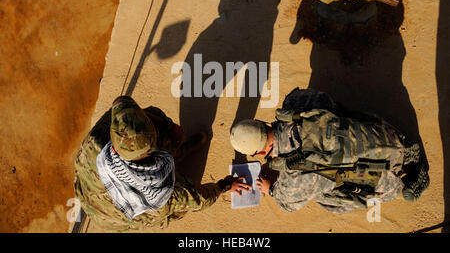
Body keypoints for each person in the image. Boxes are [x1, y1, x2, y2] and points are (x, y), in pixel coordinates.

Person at [229, 88, 430, 214]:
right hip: (385, 130)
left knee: (325, 195)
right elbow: (326, 101)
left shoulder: (295, 175)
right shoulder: (295, 104)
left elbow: (287, 203)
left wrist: (270, 189)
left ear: (261, 154)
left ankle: (406, 181)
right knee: (338, 118)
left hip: (384, 174)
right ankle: (403, 152)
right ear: (260, 123)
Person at [74, 96, 249, 232]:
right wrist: (224, 186)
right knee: (174, 211)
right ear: (151, 153)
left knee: (151, 114)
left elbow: (123, 104)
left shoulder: (96, 140)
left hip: (91, 197)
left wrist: (166, 125)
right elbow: (201, 198)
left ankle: (177, 151)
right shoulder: (160, 196)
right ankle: (178, 153)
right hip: (114, 219)